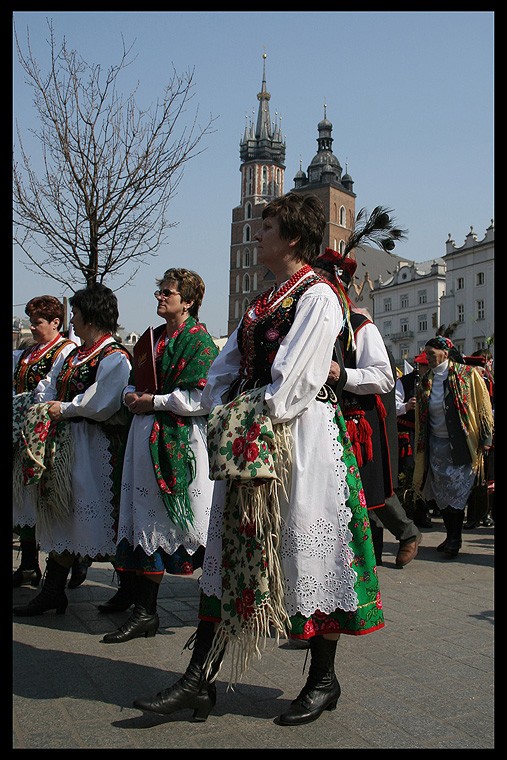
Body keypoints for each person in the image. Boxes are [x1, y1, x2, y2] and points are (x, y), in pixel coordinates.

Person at [131, 192, 384, 726]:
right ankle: (199, 679)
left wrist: (247, 409)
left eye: (267, 226)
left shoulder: (317, 297)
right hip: (252, 435)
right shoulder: (262, 303)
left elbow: (293, 383)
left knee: (304, 548)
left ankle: (322, 678)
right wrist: (222, 404)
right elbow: (222, 371)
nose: (257, 234)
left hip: (300, 439)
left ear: (292, 237)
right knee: (231, 549)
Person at [99, 268, 219, 643]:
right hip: (143, 438)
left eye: (167, 292)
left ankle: (220, 608)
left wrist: (156, 401)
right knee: (145, 525)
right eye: (159, 291)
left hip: (182, 443)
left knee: (194, 528)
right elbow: (134, 381)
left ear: (189, 301)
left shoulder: (201, 343)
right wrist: (131, 395)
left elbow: (201, 399)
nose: (159, 297)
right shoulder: (149, 339)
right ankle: (145, 611)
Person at [13, 284, 133, 616]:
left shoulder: (114, 357)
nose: (73, 319)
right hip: (70, 444)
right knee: (67, 513)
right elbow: (50, 384)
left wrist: (63, 408)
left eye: (76, 313)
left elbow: (101, 404)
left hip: (96, 446)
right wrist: (48, 403)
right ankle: (53, 590)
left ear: (91, 315)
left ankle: (130, 592)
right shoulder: (77, 354)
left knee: (100, 516)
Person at [314, 247, 422, 569]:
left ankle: (406, 533)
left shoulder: (360, 325)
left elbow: (383, 376)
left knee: (368, 489)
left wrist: (342, 374)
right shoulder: (316, 324)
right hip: (325, 423)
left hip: (359, 425)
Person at [13, 295, 76, 588]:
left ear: (55, 322)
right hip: (25, 433)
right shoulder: (27, 354)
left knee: (50, 499)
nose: (33, 327)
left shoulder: (65, 350)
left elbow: (51, 390)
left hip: (50, 433)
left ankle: (74, 561)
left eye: (37, 322)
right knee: (24, 499)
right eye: (30, 321)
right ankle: (28, 564)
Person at [413, 336, 494, 559]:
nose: (427, 357)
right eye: (426, 354)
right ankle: (450, 536)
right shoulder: (426, 379)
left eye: (431, 353)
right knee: (443, 493)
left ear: (446, 353)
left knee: (457, 492)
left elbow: (483, 406)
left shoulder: (467, 375)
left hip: (461, 443)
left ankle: (455, 539)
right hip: (436, 445)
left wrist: (486, 439)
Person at [395, 353, 432, 528]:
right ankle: (407, 510)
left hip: (429, 433)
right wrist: (407, 406)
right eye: (425, 365)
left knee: (426, 473)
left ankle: (423, 511)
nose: (427, 368)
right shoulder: (405, 381)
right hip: (408, 432)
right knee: (408, 471)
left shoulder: (438, 381)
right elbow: (394, 406)